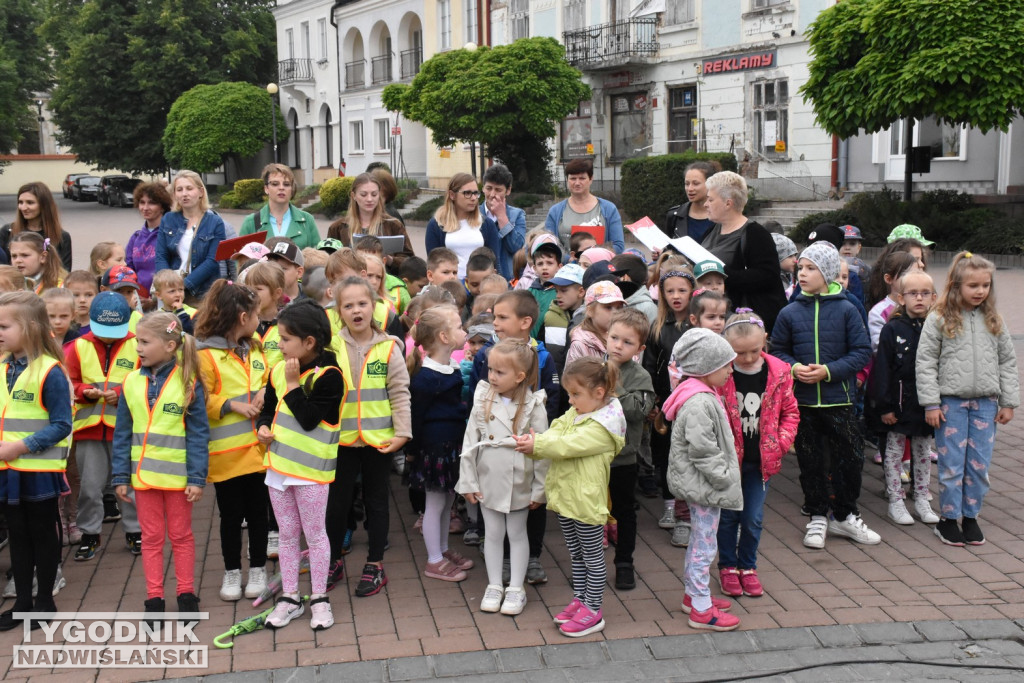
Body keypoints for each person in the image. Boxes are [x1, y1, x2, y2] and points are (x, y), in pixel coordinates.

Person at [770, 241, 877, 549]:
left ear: (828, 273)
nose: (801, 273)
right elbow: (778, 352)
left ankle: (844, 516)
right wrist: (794, 369)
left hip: (840, 401)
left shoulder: (847, 309)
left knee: (850, 458)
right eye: (800, 267)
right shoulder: (789, 312)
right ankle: (817, 515)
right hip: (802, 403)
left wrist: (828, 371)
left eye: (810, 268)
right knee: (811, 461)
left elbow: (861, 352)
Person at [514, 357, 625, 637]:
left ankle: (594, 609)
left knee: (592, 557)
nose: (571, 400)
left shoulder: (603, 427)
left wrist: (538, 443)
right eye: (569, 394)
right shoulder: (578, 412)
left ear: (599, 393)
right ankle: (581, 599)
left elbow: (566, 444)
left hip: (585, 502)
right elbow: (557, 430)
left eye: (576, 394)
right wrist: (538, 439)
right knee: (576, 555)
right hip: (566, 497)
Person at [917, 252, 1019, 547]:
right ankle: (949, 519)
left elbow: (1007, 362)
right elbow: (925, 363)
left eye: (985, 285)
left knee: (978, 464)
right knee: (952, 464)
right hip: (951, 405)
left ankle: (970, 516)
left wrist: (1008, 402)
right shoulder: (938, 318)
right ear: (956, 285)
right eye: (973, 285)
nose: (980, 291)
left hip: (986, 405)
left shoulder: (993, 319)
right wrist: (931, 404)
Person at [111, 311, 208, 620]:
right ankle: (154, 598)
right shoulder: (129, 383)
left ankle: (186, 592)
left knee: (181, 536)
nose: (137, 347)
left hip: (179, 479)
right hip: (144, 479)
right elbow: (122, 433)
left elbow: (198, 433)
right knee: (150, 539)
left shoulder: (188, 382)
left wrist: (197, 477)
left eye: (144, 341)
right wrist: (120, 476)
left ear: (169, 346)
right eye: (137, 340)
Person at [257, 300, 342, 630]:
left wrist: (293, 384)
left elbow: (307, 419)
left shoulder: (329, 376)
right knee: (288, 536)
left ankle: (319, 598)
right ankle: (290, 597)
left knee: (315, 535)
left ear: (309, 342)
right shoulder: (278, 368)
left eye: (286, 338)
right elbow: (267, 408)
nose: (279, 344)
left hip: (310, 474)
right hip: (278, 471)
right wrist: (262, 427)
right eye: (278, 337)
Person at [324, 278, 410, 598]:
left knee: (377, 502)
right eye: (348, 305)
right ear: (338, 311)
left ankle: (375, 564)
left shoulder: (389, 347)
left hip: (379, 440)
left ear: (374, 305)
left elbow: (400, 393)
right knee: (337, 503)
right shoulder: (330, 346)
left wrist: (403, 433)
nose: (356, 310)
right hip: (341, 440)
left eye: (362, 303)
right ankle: (332, 560)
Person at [468, 290, 560, 583]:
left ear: (525, 322)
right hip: (494, 456)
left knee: (529, 509)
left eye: (501, 317)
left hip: (527, 448)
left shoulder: (543, 357)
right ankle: (499, 557)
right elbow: (477, 394)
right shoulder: (486, 354)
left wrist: (539, 435)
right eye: (494, 316)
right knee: (493, 506)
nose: (494, 323)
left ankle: (531, 556)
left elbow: (551, 398)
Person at [0, 292, 73, 632]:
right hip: (8, 471)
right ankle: (23, 603)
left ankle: (45, 599)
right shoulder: (2, 366)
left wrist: (21, 446)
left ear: (29, 327)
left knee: (42, 533)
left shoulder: (50, 371)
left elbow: (62, 424)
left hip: (39, 470)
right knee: (17, 534)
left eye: (4, 325)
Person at [458, 339, 548, 614]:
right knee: (493, 533)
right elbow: (469, 441)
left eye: (500, 372)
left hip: (520, 478)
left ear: (520, 376)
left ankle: (516, 588)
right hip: (489, 476)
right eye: (491, 369)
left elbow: (543, 449)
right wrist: (468, 481)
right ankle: (494, 584)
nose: (492, 376)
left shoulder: (534, 405)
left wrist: (539, 490)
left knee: (518, 533)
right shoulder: (482, 398)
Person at [662, 327, 742, 631]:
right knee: (704, 544)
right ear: (705, 367)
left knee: (700, 539)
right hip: (706, 484)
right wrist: (723, 478)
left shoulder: (699, 394)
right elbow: (703, 449)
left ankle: (694, 595)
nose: (730, 370)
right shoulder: (699, 401)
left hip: (701, 482)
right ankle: (700, 607)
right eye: (725, 364)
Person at [194, 281, 270, 601]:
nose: (259, 320)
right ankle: (231, 572)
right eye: (256, 315)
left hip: (259, 450)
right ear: (242, 317)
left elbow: (268, 379)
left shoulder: (256, 348)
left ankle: (258, 569)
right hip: (225, 455)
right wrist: (230, 405)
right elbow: (196, 400)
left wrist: (269, 390)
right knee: (230, 517)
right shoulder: (205, 356)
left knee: (258, 515)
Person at [716, 311, 799, 599]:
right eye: (740, 353)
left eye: (755, 350)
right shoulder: (720, 373)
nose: (748, 358)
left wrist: (781, 443)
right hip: (728, 462)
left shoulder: (779, 371)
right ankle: (727, 565)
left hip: (761, 461)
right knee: (728, 517)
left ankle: (747, 566)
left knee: (752, 517)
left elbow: (790, 412)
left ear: (765, 341)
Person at [65, 292, 142, 561]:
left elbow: (147, 380)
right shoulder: (76, 347)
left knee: (128, 484)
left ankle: (135, 531)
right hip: (88, 429)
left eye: (115, 331)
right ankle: (90, 533)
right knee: (89, 486)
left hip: (125, 429)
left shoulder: (137, 344)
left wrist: (120, 393)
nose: (109, 336)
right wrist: (84, 391)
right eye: (103, 331)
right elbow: (67, 381)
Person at [405, 306, 473, 582]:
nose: (464, 332)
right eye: (459, 327)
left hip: (451, 445)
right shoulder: (425, 378)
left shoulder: (451, 367)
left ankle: (443, 550)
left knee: (446, 501)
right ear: (444, 337)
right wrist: (411, 452)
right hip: (434, 449)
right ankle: (433, 559)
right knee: (434, 504)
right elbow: (415, 418)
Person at [867, 270, 940, 526]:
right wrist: (885, 406)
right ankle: (895, 499)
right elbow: (883, 370)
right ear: (901, 297)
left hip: (924, 404)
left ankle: (921, 497)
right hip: (897, 404)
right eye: (913, 293)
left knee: (922, 451)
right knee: (895, 452)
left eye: (924, 293)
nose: (919, 298)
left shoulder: (936, 327)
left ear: (933, 297)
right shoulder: (892, 329)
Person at [644, 264, 696, 541]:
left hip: (694, 402)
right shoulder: (658, 328)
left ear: (692, 292)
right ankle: (668, 504)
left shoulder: (697, 324)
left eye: (682, 290)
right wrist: (653, 401)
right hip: (666, 403)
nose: (676, 296)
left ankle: (685, 510)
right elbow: (651, 367)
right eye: (670, 290)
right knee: (665, 455)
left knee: (688, 455)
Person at [605, 309, 655, 590]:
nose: (618, 346)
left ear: (640, 348)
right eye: (614, 338)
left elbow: (638, 411)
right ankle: (590, 565)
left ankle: (624, 562)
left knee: (624, 510)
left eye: (627, 342)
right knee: (590, 511)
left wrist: (614, 386)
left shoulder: (640, 376)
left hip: (623, 458)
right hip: (591, 455)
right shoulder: (593, 366)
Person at [700, 171, 786, 332]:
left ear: (728, 203)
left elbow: (768, 275)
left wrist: (723, 275)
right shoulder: (712, 230)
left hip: (742, 323)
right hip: (712, 317)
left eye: (710, 199)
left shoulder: (755, 234)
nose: (705, 204)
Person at [155, 171, 227, 301]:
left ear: (200, 192)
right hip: (171, 292)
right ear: (175, 194)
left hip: (202, 293)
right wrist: (166, 284)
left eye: (189, 188)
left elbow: (213, 261)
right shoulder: (168, 219)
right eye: (179, 190)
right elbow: (161, 255)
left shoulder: (215, 222)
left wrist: (184, 286)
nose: (184, 194)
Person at [327, 173, 414, 267]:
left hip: (385, 279)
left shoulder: (393, 225)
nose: (369, 199)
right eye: (363, 194)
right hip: (350, 280)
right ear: (354, 196)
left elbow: (409, 262)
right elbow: (329, 263)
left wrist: (389, 260)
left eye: (374, 194)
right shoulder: (338, 228)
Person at [426, 174, 503, 280]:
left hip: (480, 287)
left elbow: (495, 262)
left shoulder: (486, 224)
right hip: (450, 287)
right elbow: (434, 264)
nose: (473, 198)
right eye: (467, 193)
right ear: (452, 195)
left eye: (476, 193)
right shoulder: (436, 225)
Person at [545, 159, 624, 253]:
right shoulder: (555, 211)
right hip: (566, 266)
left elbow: (618, 246)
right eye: (573, 178)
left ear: (591, 179)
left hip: (598, 265)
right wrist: (569, 259)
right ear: (567, 180)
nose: (577, 183)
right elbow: (549, 246)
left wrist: (593, 256)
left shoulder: (609, 209)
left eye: (582, 178)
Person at [239, 164, 321, 250]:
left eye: (286, 184)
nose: (281, 188)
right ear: (266, 188)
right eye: (275, 184)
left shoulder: (307, 220)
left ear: (292, 189)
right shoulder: (250, 222)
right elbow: (241, 261)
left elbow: (318, 258)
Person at [0, 182, 73, 272]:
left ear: (44, 205)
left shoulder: (61, 237)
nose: (23, 207)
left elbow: (64, 272)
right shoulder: (7, 232)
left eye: (30, 203)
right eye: (20, 202)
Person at [481, 164, 527, 282]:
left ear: (508, 190)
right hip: (479, 278)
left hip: (508, 280)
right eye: (489, 188)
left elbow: (516, 247)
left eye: (498, 190)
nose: (492, 194)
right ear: (483, 187)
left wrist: (502, 216)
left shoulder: (517, 214)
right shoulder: (473, 214)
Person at [126, 182, 173, 297]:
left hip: (165, 298)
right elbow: (129, 270)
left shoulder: (171, 236)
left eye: (152, 203)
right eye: (142, 202)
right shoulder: (136, 237)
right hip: (139, 299)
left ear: (162, 207)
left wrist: (154, 299)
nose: (145, 208)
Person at [567, 281, 625, 365]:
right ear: (590, 311)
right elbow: (574, 376)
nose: (615, 313)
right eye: (608, 307)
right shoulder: (581, 343)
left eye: (619, 308)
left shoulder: (624, 336)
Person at [663, 161, 719, 243]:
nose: (690, 189)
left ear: (710, 184)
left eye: (695, 183)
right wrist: (662, 252)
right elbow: (668, 247)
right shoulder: (674, 216)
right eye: (687, 184)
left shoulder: (722, 217)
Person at [527, 235, 563, 338]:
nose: (545, 267)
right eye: (540, 264)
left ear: (559, 267)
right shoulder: (529, 292)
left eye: (549, 263)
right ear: (534, 268)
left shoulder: (561, 292)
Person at [65, 270, 97, 336]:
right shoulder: (62, 326)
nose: (82, 300)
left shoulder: (100, 326)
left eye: (89, 295)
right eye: (75, 295)